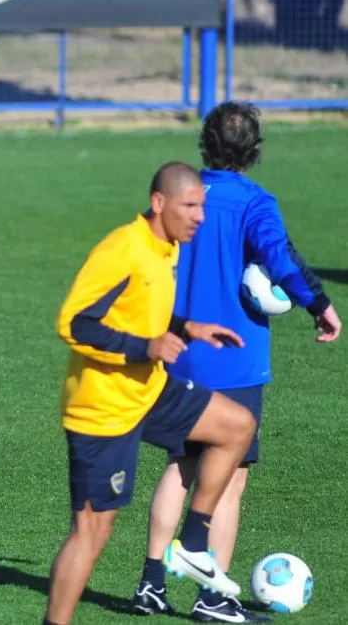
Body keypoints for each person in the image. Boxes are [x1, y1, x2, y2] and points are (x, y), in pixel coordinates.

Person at [132, 102, 342, 623]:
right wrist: (320, 305)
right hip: (235, 361)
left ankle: (151, 583)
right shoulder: (254, 202)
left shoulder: (180, 195)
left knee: (180, 466)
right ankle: (213, 597)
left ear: (205, 144)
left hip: (177, 353)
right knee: (227, 477)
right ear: (254, 150)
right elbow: (280, 257)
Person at [44, 162, 256, 625]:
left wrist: (185, 327)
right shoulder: (125, 249)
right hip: (102, 411)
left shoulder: (167, 247)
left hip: (149, 390)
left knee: (237, 426)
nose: (200, 215)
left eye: (202, 205)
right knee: (92, 534)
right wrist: (148, 346)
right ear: (159, 203)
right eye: (190, 206)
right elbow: (74, 323)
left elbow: (137, 311)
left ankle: (194, 545)